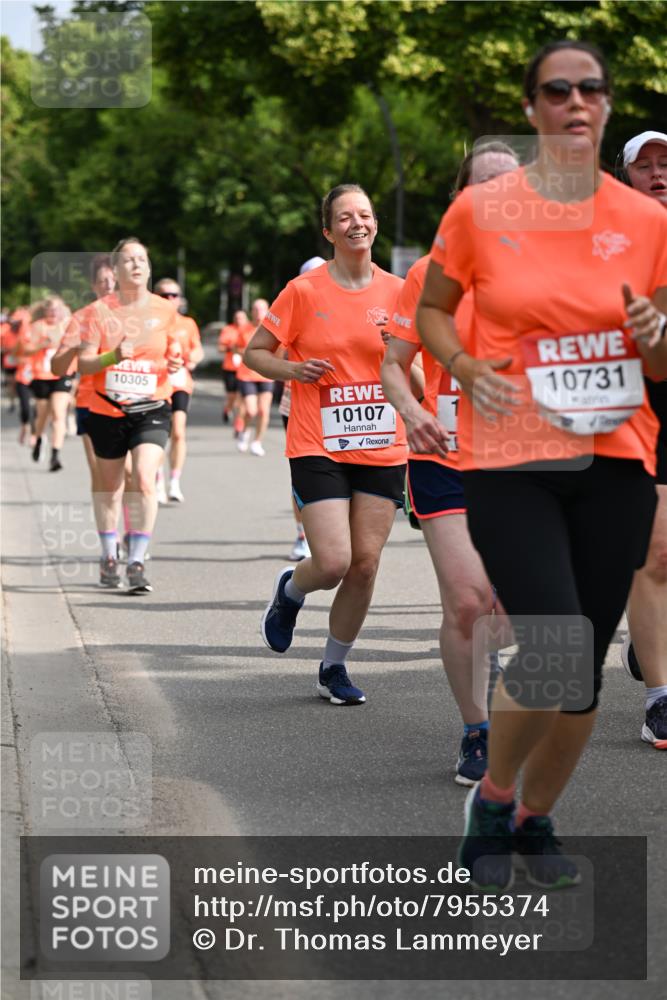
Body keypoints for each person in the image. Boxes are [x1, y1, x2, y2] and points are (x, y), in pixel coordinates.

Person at [418, 41, 667, 890]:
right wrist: (463, 366)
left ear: (604, 105)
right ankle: (491, 799)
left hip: (616, 455)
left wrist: (654, 340)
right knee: (554, 642)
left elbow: (662, 362)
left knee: (583, 669)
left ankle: (533, 816)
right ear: (531, 109)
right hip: (513, 454)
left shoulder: (648, 225)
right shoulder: (483, 212)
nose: (573, 101)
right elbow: (433, 313)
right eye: (555, 89)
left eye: (589, 89)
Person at [381, 141, 519, 785]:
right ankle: (477, 729)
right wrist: (413, 413)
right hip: (445, 455)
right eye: (481, 186)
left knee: (511, 607)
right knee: (468, 602)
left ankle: (488, 664)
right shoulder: (429, 274)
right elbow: (392, 365)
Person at [244, 183, 406, 705]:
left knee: (365, 564)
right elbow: (255, 353)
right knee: (334, 561)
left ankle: (334, 666)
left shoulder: (402, 293)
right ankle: (292, 590)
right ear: (328, 230)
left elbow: (420, 380)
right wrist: (293, 368)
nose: (356, 223)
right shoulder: (305, 291)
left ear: (375, 224)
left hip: (382, 443)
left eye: (365, 214)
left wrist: (397, 357)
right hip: (320, 442)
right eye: (344, 217)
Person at [77, 237, 183, 592]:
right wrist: (111, 358)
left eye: (142, 259)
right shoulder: (98, 312)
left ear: (148, 268)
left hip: (152, 407)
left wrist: (175, 361)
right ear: (116, 270)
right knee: (110, 488)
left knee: (144, 475)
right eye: (128, 260)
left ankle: (136, 559)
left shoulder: (165, 311)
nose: (136, 265)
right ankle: (109, 555)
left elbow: (175, 353)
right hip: (107, 408)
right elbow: (84, 363)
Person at [618, 130, 667, 748]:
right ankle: (660, 696)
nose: (658, 173)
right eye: (645, 166)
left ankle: (647, 644)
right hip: (635, 407)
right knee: (655, 554)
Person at [281, 257, 327, 562]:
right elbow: (265, 353)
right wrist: (295, 369)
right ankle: (303, 534)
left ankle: (333, 532)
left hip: (350, 405)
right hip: (299, 403)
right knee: (306, 477)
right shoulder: (293, 305)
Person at [153, 278, 204, 503]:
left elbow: (198, 350)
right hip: (155, 384)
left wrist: (193, 358)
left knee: (179, 431)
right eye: (164, 295)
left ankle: (174, 481)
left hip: (180, 381)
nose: (170, 299)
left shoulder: (188, 323)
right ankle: (156, 480)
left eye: (174, 295)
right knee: (157, 435)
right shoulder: (150, 323)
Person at [28, 297, 72, 470]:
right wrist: (42, 344)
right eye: (50, 309)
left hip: (62, 373)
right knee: (42, 416)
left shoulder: (67, 326)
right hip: (42, 375)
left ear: (61, 310)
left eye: (57, 309)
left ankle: (55, 455)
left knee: (58, 413)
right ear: (45, 311)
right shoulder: (38, 326)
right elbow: (26, 349)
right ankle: (39, 439)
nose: (53, 313)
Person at [235, 299, 274, 456]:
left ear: (268, 310)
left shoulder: (273, 329)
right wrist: (247, 353)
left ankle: (257, 442)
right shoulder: (244, 329)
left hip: (266, 375)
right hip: (247, 375)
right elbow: (235, 347)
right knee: (251, 411)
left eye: (262, 309)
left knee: (264, 411)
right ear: (251, 311)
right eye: (256, 309)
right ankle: (244, 431)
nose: (259, 313)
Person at [218, 309, 252, 434]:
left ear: (246, 318)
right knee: (232, 397)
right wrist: (231, 348)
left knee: (242, 397)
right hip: (230, 368)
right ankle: (227, 408)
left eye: (241, 318)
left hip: (245, 370)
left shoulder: (250, 330)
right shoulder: (228, 330)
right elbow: (220, 348)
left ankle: (239, 422)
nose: (239, 320)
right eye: (237, 318)